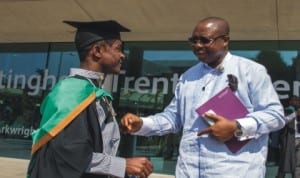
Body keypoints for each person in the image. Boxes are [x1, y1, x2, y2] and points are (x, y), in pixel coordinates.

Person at [120, 17, 286, 177]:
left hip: (234, 171)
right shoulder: (188, 77)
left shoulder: (251, 71)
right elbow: (173, 118)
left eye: (205, 40)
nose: (198, 45)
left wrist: (235, 127)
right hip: (189, 170)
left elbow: (275, 115)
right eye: (194, 40)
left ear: (225, 40)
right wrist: (142, 123)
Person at [27, 20, 153, 178]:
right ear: (98, 51)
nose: (123, 55)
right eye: (118, 48)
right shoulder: (71, 94)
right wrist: (123, 165)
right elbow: (68, 154)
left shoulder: (92, 92)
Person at [277, 95, 300, 178]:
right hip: (289, 139)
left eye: (298, 100)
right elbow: (282, 121)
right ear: (290, 102)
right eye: (294, 100)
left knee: (298, 164)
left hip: (299, 138)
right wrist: (295, 114)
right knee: (284, 161)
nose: (296, 102)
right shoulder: (287, 110)